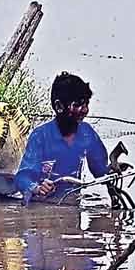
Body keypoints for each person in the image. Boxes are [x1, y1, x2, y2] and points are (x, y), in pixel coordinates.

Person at [14, 72, 108, 205]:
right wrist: (37, 188)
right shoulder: (40, 136)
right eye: (77, 105)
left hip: (72, 206)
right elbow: (22, 178)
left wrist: (113, 169)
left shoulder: (87, 133)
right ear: (59, 107)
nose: (85, 110)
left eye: (86, 104)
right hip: (42, 207)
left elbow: (100, 171)